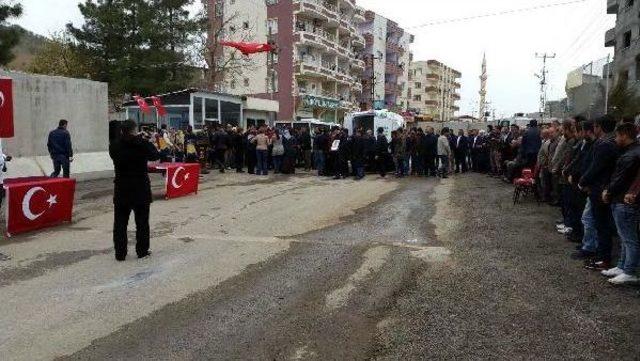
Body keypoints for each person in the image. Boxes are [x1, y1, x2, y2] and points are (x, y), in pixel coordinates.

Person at [108, 119, 160, 261]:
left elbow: (114, 153)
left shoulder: (115, 145)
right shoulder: (142, 144)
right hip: (140, 187)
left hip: (121, 187)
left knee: (119, 223)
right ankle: (142, 250)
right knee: (142, 222)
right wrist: (144, 139)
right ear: (134, 130)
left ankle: (120, 253)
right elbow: (155, 155)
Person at [601, 123, 640, 284]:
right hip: (621, 199)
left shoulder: (632, 154)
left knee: (629, 238)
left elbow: (620, 178)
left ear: (624, 135)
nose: (616, 139)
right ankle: (622, 266)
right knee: (624, 237)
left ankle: (629, 271)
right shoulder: (630, 152)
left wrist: (608, 190)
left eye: (617, 136)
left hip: (625, 200)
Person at [578, 115, 619, 271]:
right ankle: (601, 255)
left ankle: (603, 258)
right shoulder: (613, 142)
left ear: (599, 127)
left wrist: (583, 181)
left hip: (599, 188)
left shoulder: (603, 144)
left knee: (601, 225)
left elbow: (595, 167)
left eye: (595, 126)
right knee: (601, 224)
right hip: (604, 187)